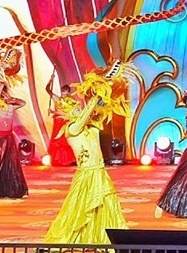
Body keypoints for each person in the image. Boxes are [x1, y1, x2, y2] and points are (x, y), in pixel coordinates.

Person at [43, 69, 130, 245]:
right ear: (68, 114)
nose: (79, 109)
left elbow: (102, 111)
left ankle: (103, 238)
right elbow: (86, 114)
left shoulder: (90, 125)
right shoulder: (71, 129)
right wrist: (95, 98)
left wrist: (107, 88)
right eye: (75, 109)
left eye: (78, 107)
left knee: (106, 205)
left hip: (100, 172)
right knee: (79, 208)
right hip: (86, 174)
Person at [45, 79, 78, 167]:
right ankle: (57, 160)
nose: (63, 92)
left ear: (68, 92)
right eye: (62, 91)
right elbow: (48, 90)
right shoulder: (57, 99)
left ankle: (67, 161)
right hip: (58, 122)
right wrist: (50, 80)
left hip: (65, 121)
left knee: (64, 141)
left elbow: (71, 113)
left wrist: (54, 112)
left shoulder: (71, 102)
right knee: (57, 140)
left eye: (65, 91)